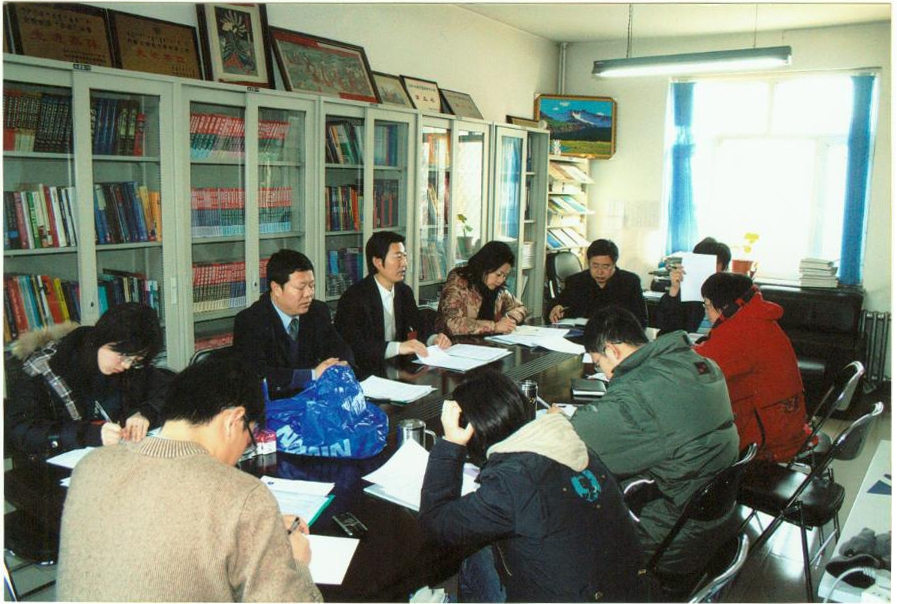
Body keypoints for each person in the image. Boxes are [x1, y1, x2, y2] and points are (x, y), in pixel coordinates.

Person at [56, 355, 323, 602]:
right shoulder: (243, 495)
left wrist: (257, 528)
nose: (245, 449)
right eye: (249, 438)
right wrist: (296, 563)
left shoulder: (90, 466)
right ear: (234, 420)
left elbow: (156, 522)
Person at [419, 369, 642, 602]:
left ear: (471, 429)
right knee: (481, 548)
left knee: (470, 553)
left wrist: (451, 444)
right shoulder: (574, 445)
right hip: (622, 589)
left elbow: (436, 524)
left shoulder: (512, 483)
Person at [568, 306, 739, 575]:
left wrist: (559, 419)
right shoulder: (699, 363)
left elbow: (574, 442)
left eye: (598, 363)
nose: (604, 374)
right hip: (714, 520)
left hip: (669, 539)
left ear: (612, 351)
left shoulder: (638, 393)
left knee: (564, 498)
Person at [5, 302, 169, 458]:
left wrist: (145, 413)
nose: (127, 365)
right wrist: (85, 434)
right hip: (57, 468)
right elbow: (20, 431)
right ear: (103, 338)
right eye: (124, 356)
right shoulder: (43, 369)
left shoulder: (128, 365)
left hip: (111, 460)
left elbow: (171, 389)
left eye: (135, 360)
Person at [694, 272, 808, 461]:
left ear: (725, 306)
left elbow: (701, 368)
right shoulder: (754, 316)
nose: (706, 313)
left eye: (707, 305)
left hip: (770, 432)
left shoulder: (742, 329)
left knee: (689, 438)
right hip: (786, 418)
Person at [233, 249, 354, 399]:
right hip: (273, 405)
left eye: (312, 285)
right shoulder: (250, 320)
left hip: (313, 400)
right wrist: (312, 375)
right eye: (301, 287)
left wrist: (342, 364)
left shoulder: (318, 311)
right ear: (276, 289)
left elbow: (340, 349)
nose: (309, 294)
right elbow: (256, 374)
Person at [334, 231, 451, 373]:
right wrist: (398, 347)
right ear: (378, 262)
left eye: (405, 256)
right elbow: (355, 346)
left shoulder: (404, 292)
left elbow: (418, 325)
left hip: (397, 370)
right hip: (365, 373)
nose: (404, 264)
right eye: (398, 257)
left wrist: (434, 339)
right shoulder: (354, 298)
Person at [435, 241, 528, 336]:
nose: (501, 280)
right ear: (485, 267)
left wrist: (509, 319)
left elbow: (520, 307)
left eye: (505, 275)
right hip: (452, 342)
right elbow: (451, 322)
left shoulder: (498, 289)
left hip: (486, 342)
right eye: (498, 274)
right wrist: (494, 327)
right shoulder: (459, 280)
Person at [548, 239, 647, 327]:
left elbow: (641, 320)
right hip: (581, 335)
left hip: (616, 336)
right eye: (595, 266)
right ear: (588, 263)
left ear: (614, 264)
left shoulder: (630, 282)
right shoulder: (576, 281)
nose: (600, 272)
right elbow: (555, 305)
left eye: (605, 266)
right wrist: (555, 308)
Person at [656, 237, 731, 335]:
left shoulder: (732, 294)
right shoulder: (687, 292)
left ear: (724, 268)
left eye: (714, 263)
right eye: (701, 262)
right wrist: (674, 289)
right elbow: (664, 326)